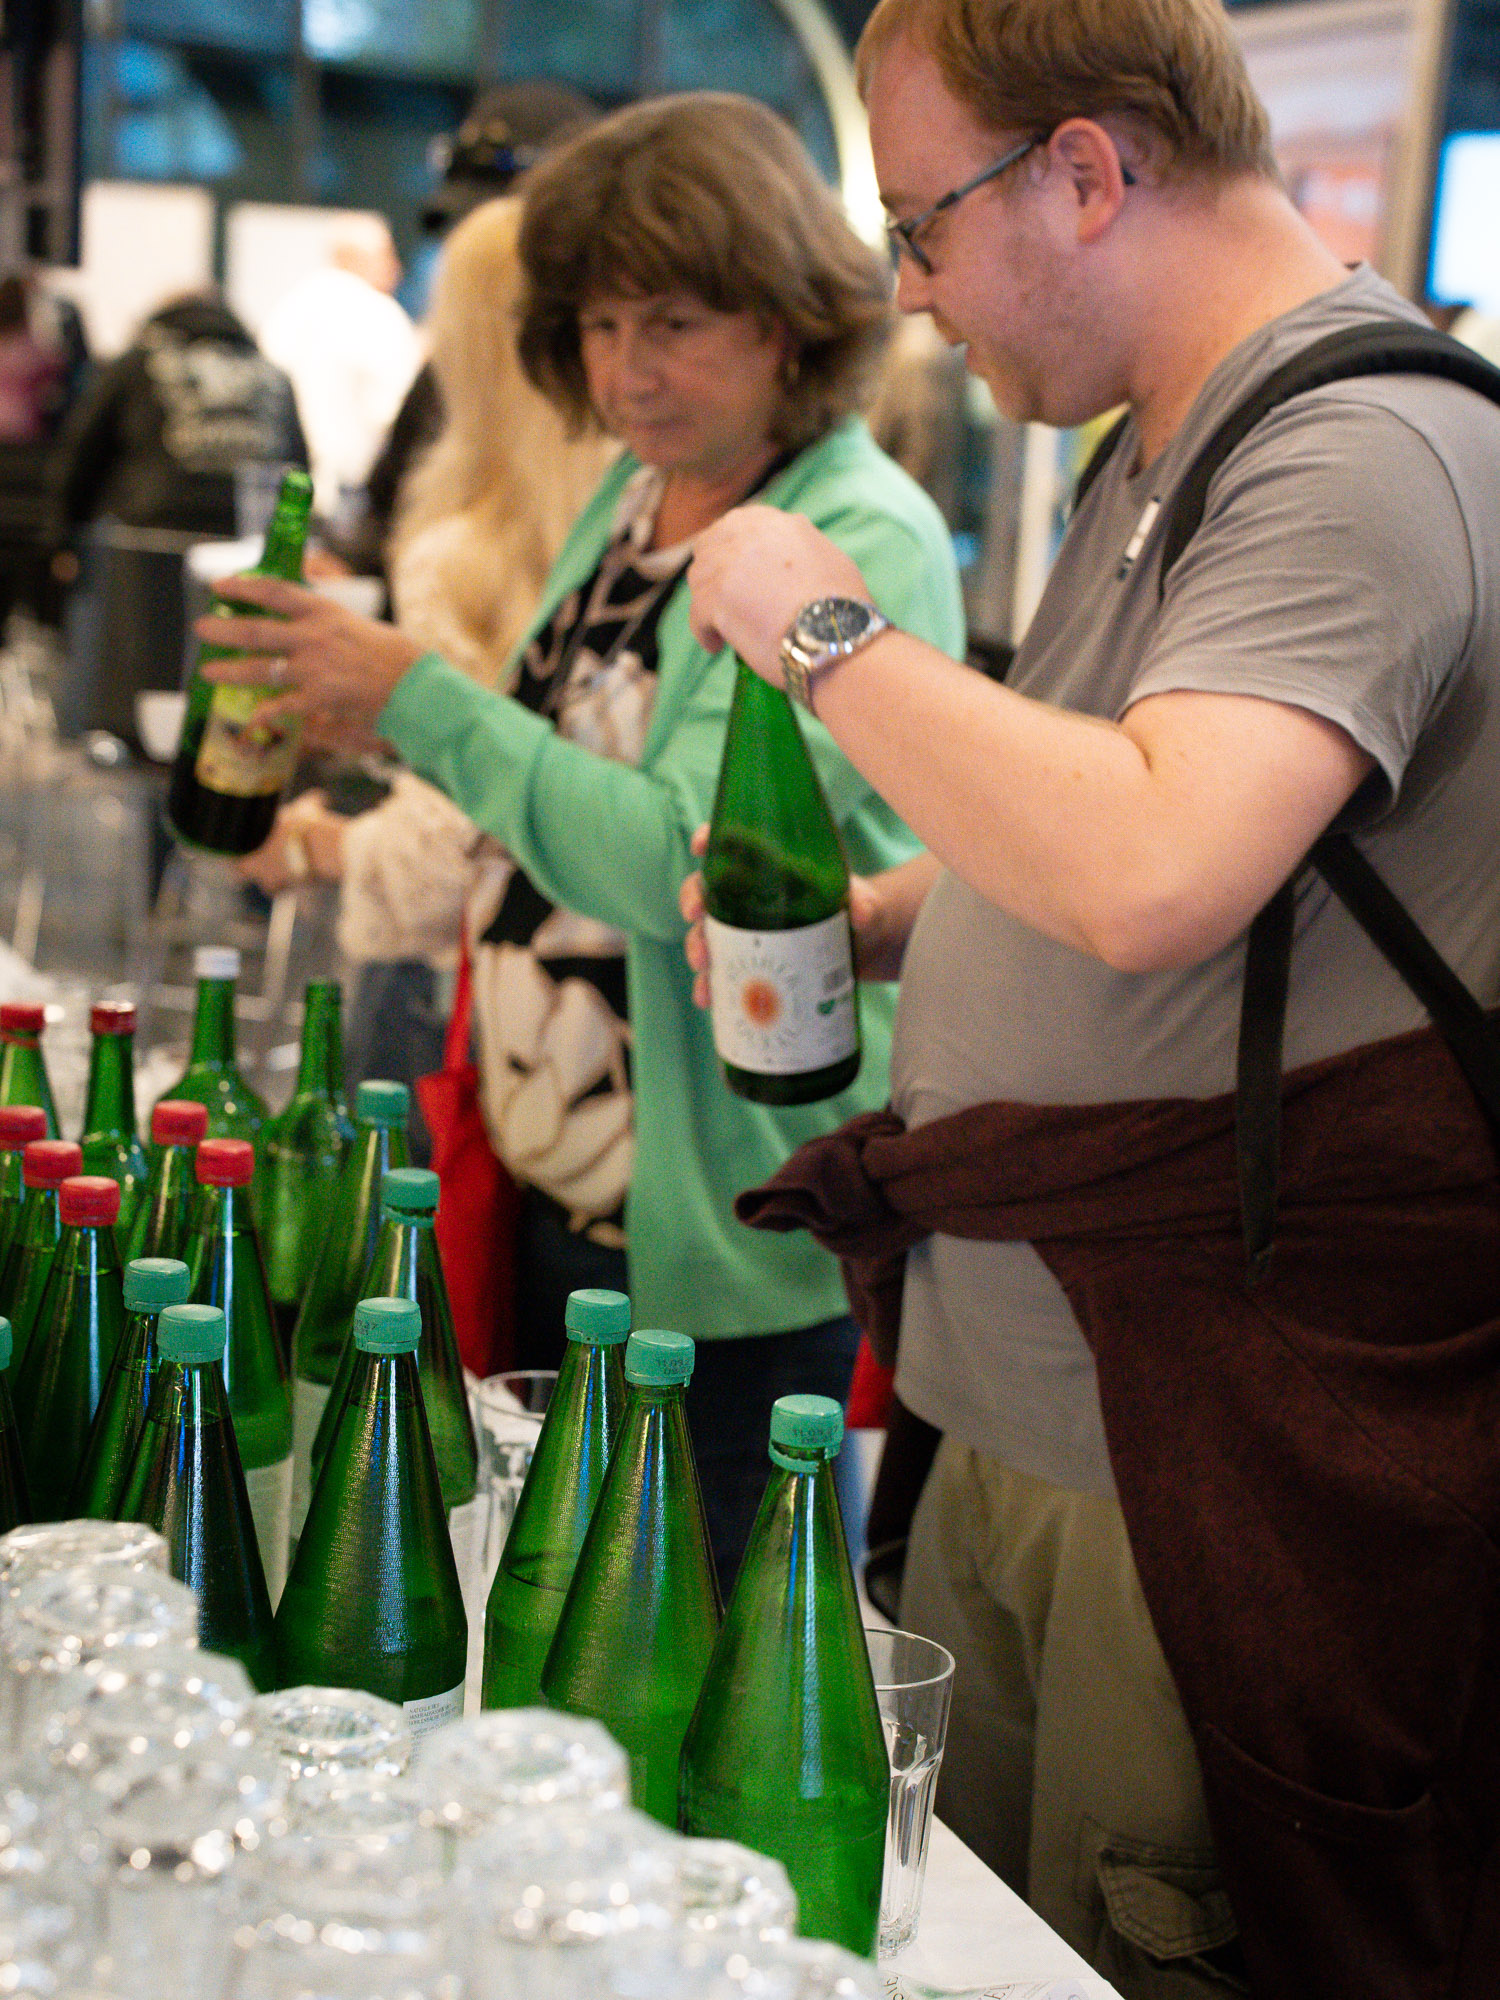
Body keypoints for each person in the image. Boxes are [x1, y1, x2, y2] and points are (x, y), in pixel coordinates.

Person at [679, 0, 1500, 1993]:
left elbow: (1153, 866)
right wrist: (895, 920)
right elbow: (1129, 821)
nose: (911, 286)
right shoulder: (1168, 437)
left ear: (1082, 168)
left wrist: (815, 624)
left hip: (1224, 1442)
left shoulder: (1362, 450)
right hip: (1055, 1403)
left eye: (923, 221)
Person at [190, 91, 966, 1590]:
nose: (627, 371)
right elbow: (544, 772)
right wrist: (360, 720)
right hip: (569, 1189)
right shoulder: (637, 493)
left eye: (672, 322)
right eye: (601, 327)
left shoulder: (854, 536)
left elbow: (673, 852)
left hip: (726, 1229)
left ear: (789, 321)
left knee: (680, 1669)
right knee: (550, 1629)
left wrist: (414, 700)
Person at [239, 196, 615, 1151]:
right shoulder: (637, 531)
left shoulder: (464, 547)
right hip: (603, 1024)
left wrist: (311, 846)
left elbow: (465, 827)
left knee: (397, 1265)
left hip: (459, 989)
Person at [44, 288, 305, 744]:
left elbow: (79, 454)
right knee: (227, 701)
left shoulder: (137, 362)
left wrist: (61, 540)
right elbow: (298, 474)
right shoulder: (271, 373)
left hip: (144, 548)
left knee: (134, 696)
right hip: (243, 551)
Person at [259, 215, 423, 514]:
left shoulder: (290, 307)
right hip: (351, 490)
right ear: (353, 257)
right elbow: (393, 410)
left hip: (287, 484)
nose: (395, 267)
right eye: (387, 254)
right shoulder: (380, 314)